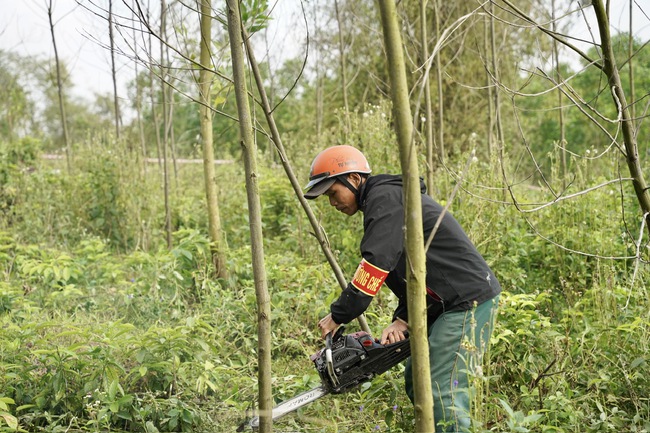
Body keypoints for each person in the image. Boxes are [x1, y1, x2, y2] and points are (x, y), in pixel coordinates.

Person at [304, 145, 501, 432]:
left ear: (355, 179)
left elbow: (376, 263)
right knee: (417, 378)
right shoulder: (387, 201)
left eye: (333, 193)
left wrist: (339, 315)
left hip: (465, 300)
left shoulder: (384, 199)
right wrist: (403, 317)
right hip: (444, 301)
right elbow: (409, 269)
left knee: (439, 388)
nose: (332, 202)